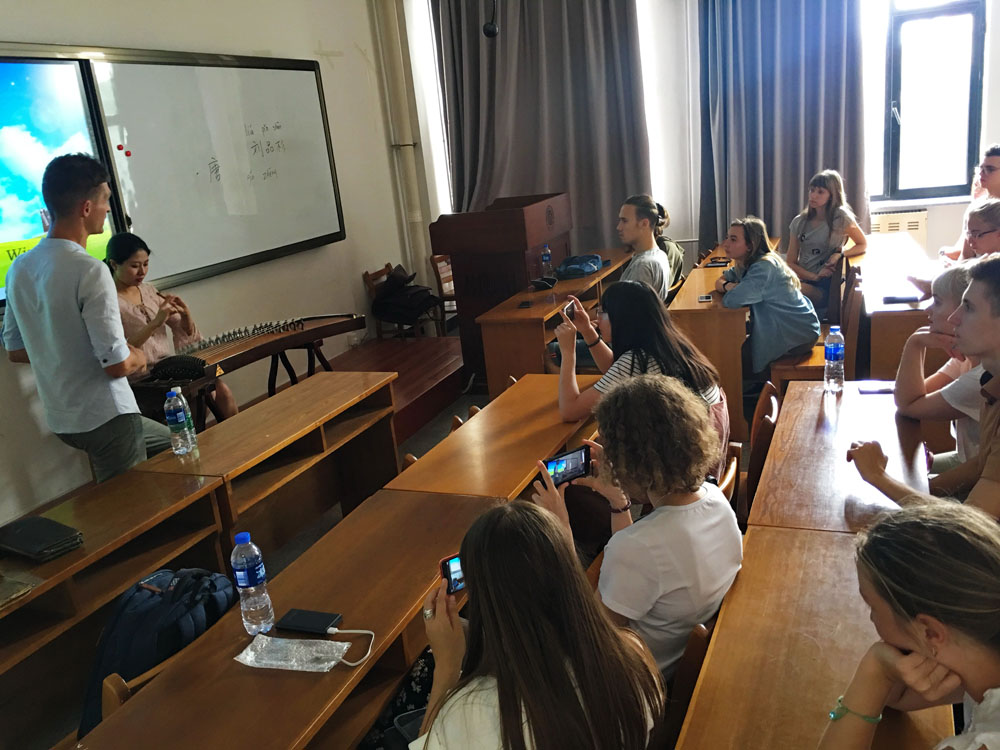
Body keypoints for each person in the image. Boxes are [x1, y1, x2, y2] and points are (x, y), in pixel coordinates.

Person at [532, 374, 743, 680]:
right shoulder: (715, 499)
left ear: (630, 461)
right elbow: (641, 566)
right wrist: (619, 503)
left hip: (628, 679)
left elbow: (590, 634)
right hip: (672, 656)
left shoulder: (638, 548)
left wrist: (561, 531)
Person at [413, 501, 665, 750]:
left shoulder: (472, 711)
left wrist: (447, 667)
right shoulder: (633, 655)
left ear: (485, 602)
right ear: (570, 574)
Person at [2, 154, 170, 482]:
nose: (108, 209)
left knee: (178, 443)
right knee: (131, 502)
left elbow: (16, 350)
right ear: (87, 207)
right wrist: (137, 356)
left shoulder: (19, 268)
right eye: (106, 200)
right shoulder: (89, 269)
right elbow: (117, 364)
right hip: (107, 416)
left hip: (64, 419)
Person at [817, 502, 1000, 750]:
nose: (871, 620)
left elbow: (885, 694)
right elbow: (899, 698)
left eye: (873, 607)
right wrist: (886, 670)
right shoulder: (983, 655)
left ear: (930, 632)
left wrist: (875, 671)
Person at [848, 256, 1000, 518]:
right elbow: (981, 465)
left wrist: (878, 477)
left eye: (968, 307)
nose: (954, 318)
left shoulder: (983, 381)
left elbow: (971, 527)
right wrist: (919, 490)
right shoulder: (991, 381)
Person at [555, 280, 729, 481]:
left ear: (622, 319)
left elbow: (569, 411)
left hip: (682, 472)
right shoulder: (671, 343)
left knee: (591, 459)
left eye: (602, 312)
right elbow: (615, 371)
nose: (597, 319)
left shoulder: (637, 360)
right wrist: (587, 330)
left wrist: (567, 352)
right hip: (703, 456)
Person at [106, 232, 238, 419]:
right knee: (200, 396)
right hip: (140, 379)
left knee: (219, 386)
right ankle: (193, 434)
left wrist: (185, 315)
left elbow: (183, 331)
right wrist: (155, 323)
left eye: (146, 264)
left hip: (167, 368)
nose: (142, 272)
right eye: (134, 266)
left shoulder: (148, 290)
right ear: (114, 264)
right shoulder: (108, 301)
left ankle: (241, 434)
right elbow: (120, 351)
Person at [715, 216, 821, 399]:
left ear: (750, 245)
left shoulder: (764, 267)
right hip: (790, 326)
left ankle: (749, 397)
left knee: (730, 354)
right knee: (732, 348)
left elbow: (732, 300)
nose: (725, 244)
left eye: (733, 239)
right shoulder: (748, 263)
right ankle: (751, 388)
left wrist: (728, 288)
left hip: (797, 334)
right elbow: (724, 278)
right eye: (727, 237)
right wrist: (728, 286)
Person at [894, 263, 982, 473]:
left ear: (963, 310)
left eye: (937, 301)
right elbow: (916, 394)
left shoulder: (980, 378)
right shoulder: (966, 359)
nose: (928, 309)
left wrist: (915, 344)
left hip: (983, 477)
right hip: (968, 461)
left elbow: (908, 405)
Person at [786, 169, 867, 315]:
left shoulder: (840, 218)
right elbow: (790, 262)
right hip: (805, 278)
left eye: (820, 192)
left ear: (832, 195)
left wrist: (840, 254)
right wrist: (812, 276)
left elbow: (862, 244)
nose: (813, 195)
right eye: (812, 190)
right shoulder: (799, 221)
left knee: (784, 290)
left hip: (823, 286)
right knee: (775, 284)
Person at [618, 194, 684, 298]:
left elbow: (630, 308)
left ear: (644, 224)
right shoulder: (660, 254)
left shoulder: (642, 267)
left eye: (625, 221)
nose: (619, 227)